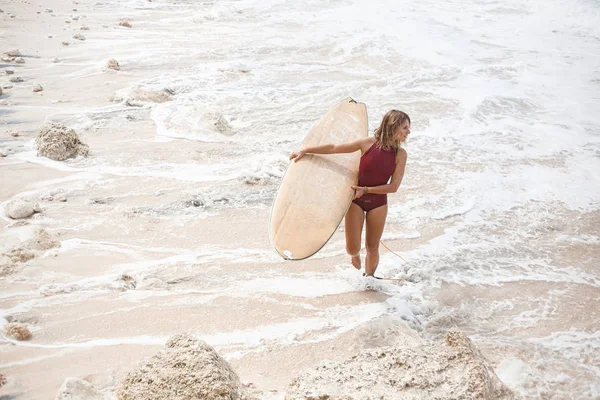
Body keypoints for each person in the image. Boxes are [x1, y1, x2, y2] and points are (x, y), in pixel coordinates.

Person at [289, 110, 410, 277]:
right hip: (356, 201)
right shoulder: (367, 143)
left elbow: (394, 186)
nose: (408, 132)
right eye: (404, 128)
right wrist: (306, 150)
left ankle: (370, 279)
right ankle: (355, 256)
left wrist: (366, 190)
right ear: (393, 126)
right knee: (352, 248)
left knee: (372, 247)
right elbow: (334, 148)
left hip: (378, 202)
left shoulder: (400, 155)